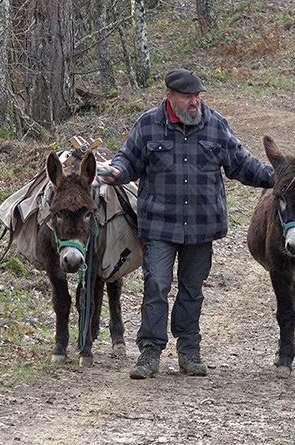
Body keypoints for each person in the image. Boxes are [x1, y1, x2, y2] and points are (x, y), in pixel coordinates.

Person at [97, 68, 274, 379]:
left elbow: (242, 163)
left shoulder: (215, 125)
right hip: (159, 226)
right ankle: (150, 351)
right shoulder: (148, 125)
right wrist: (116, 172)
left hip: (201, 226)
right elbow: (129, 160)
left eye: (197, 96)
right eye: (188, 96)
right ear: (170, 97)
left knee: (192, 289)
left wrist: (277, 178)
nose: (195, 102)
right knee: (157, 286)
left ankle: (189, 350)